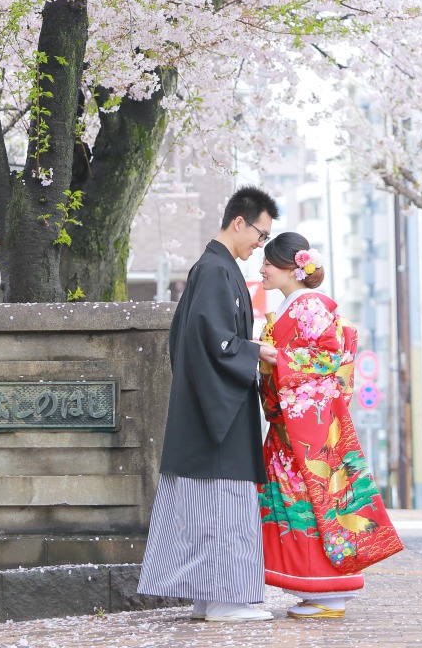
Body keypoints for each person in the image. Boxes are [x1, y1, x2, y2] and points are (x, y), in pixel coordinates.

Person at [137, 185, 280, 623]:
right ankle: (225, 600)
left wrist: (247, 350)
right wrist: (255, 351)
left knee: (206, 507)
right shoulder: (217, 270)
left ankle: (207, 597)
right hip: (216, 412)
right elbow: (212, 340)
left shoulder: (214, 268)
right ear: (239, 222)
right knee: (222, 505)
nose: (260, 245)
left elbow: (200, 340)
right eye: (260, 235)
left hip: (207, 405)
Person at [258, 232, 403, 620]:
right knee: (306, 505)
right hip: (297, 424)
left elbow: (326, 358)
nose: (262, 269)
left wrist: (275, 356)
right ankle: (316, 589)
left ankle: (327, 591)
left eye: (268, 263)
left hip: (304, 427)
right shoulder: (297, 305)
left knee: (310, 504)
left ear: (290, 267)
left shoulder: (308, 306)